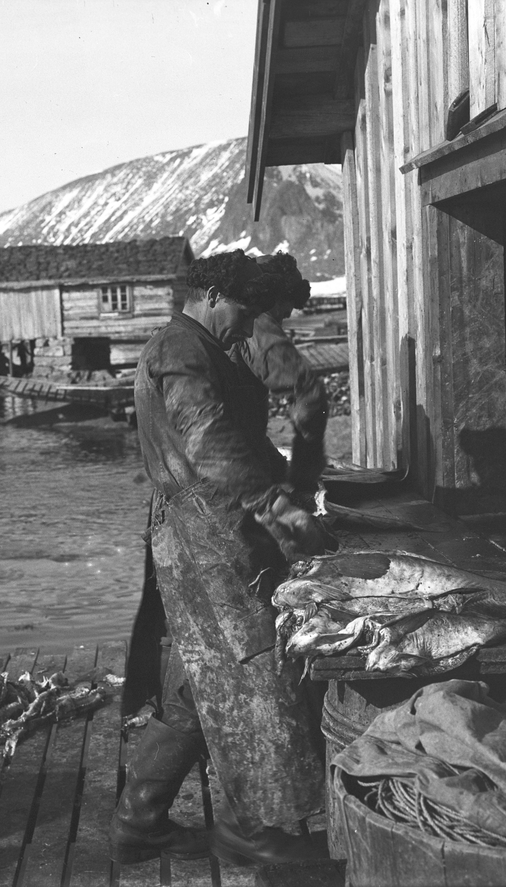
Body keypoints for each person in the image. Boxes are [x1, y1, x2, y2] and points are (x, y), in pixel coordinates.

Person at [109, 250, 330, 867]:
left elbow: (230, 435)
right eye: (240, 312)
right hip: (209, 538)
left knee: (192, 683)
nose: (245, 329)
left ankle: (138, 823)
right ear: (209, 294)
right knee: (256, 669)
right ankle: (250, 829)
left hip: (198, 533)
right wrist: (276, 503)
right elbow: (206, 435)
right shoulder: (180, 349)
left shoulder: (197, 345)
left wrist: (281, 483)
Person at [235, 253, 330, 500]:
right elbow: (309, 391)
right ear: (275, 298)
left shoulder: (232, 318)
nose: (286, 316)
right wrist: (305, 474)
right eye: (286, 308)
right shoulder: (259, 326)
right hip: (229, 464)